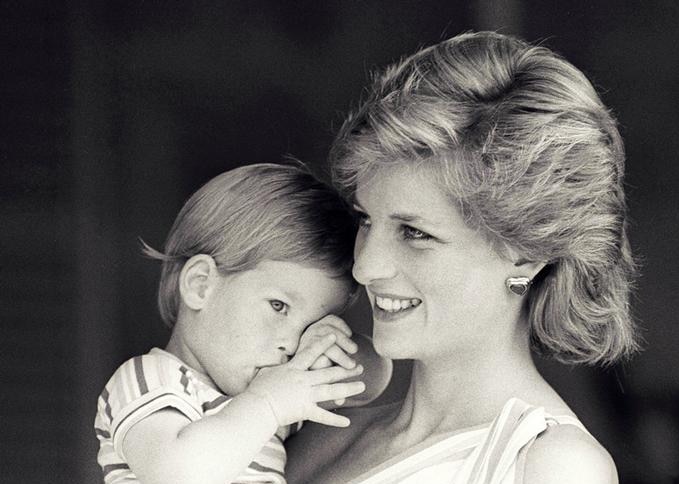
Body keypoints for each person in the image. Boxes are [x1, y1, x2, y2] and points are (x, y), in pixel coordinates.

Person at [285, 31, 639, 484]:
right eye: (366, 220)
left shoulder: (551, 465)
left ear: (526, 254)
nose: (365, 267)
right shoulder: (322, 436)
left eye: (415, 233)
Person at [94, 163, 392, 484]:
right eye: (279, 306)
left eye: (309, 325)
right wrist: (267, 405)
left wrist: (325, 350)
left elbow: (367, 381)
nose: (291, 344)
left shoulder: (270, 395)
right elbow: (179, 475)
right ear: (201, 285)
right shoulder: (148, 380)